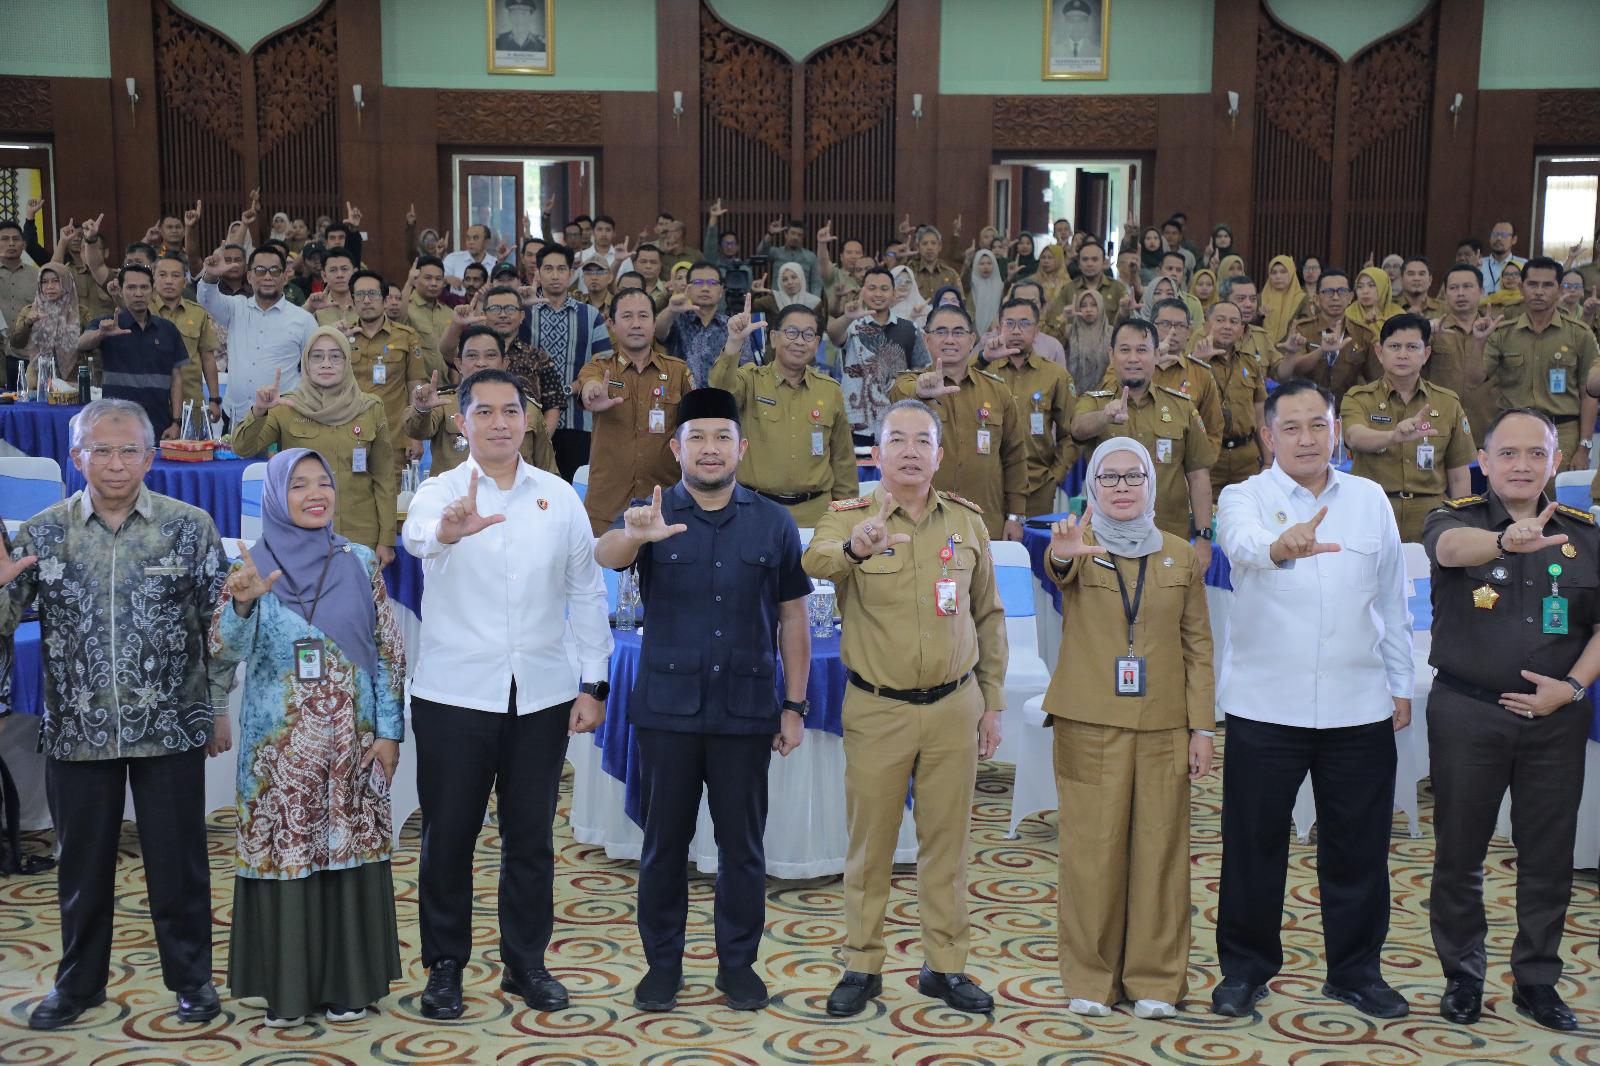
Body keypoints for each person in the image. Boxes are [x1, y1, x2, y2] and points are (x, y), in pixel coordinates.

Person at [0, 399, 229, 1030]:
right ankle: (78, 986)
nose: (116, 463)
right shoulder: (42, 532)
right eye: (100, 449)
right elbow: (3, 626)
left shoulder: (191, 527)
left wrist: (216, 708)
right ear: (76, 458)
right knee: (82, 868)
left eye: (129, 449)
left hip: (172, 727)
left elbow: (220, 628)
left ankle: (192, 981)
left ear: (152, 456)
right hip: (77, 730)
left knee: (178, 864)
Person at [401, 367, 611, 1019]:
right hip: (454, 696)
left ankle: (526, 963)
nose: (498, 422)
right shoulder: (439, 492)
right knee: (449, 839)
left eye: (510, 411)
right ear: (461, 424)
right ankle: (445, 968)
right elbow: (416, 538)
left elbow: (585, 591)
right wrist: (447, 533)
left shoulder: (558, 495)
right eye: (483, 412)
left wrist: (594, 680)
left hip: (542, 694)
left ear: (527, 420)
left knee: (530, 840)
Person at [593, 388, 811, 1012]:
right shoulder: (650, 511)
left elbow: (793, 618)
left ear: (740, 447)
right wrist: (635, 536)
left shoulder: (773, 522)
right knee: (664, 846)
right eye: (697, 438)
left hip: (745, 711)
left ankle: (737, 964)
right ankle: (662, 965)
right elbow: (607, 556)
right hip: (668, 711)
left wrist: (793, 706)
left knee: (743, 848)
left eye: (721, 438)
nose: (709, 449)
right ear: (677, 447)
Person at [1211, 379, 1413, 1021]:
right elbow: (1238, 544)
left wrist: (1400, 684)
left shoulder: (1370, 497)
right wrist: (1280, 546)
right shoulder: (1243, 495)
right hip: (1266, 706)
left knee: (1358, 847)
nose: (1305, 438)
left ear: (1334, 431)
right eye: (1290, 427)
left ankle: (1355, 971)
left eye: (1317, 425)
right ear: (1268, 435)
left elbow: (1392, 601)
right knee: (1253, 846)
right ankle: (1245, 971)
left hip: (1358, 704)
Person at [802, 398, 1005, 1018]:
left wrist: (992, 704)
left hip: (954, 707)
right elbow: (815, 561)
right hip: (879, 708)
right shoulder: (849, 515)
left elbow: (988, 617)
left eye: (924, 441)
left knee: (948, 845)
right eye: (899, 440)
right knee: (871, 847)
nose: (911, 451)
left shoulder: (967, 523)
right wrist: (859, 550)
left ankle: (945, 966)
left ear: (940, 455)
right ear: (878, 452)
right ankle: (862, 965)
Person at [208, 448, 406, 1027]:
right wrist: (242, 604)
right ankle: (286, 992)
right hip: (280, 751)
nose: (316, 494)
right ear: (275, 496)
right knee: (287, 853)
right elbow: (222, 654)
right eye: (299, 485)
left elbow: (389, 652)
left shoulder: (361, 560)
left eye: (325, 482)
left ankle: (349, 986)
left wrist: (391, 732)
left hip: (353, 741)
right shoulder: (248, 565)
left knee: (347, 854)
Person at [1421, 407, 1597, 1033]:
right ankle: (1463, 976)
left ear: (1556, 461)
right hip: (1469, 713)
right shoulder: (1454, 518)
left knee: (1547, 854)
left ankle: (1537, 981)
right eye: (1508, 454)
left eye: (1535, 454)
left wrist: (1572, 688)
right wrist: (1505, 540)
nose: (1521, 465)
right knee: (1460, 852)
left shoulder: (1587, 532)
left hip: (1556, 721)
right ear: (1485, 462)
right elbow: (1448, 550)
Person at [1042, 438, 1214, 1019]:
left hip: (1166, 724)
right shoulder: (1077, 546)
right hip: (1090, 722)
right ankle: (1090, 979)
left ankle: (1156, 980)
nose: (1120, 487)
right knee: (1092, 851)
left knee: (1161, 853)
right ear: (1092, 486)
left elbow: (1198, 648)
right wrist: (1063, 553)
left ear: (1151, 482)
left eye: (1132, 476)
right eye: (1108, 477)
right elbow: (1058, 572)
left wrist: (1203, 729)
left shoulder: (1177, 554)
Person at [230, 328, 396, 562]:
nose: (326, 364)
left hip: (359, 536)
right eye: (317, 356)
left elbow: (384, 477)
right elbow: (241, 448)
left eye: (335, 356)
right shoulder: (285, 406)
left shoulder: (370, 408)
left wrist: (386, 539)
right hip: (300, 535)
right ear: (305, 363)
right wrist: (259, 411)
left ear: (347, 361)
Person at [1072, 320, 1216, 560]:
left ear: (1157, 354)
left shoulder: (1181, 407)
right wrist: (1105, 417)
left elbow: (1198, 476)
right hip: (1105, 541)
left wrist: (1203, 537)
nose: (1133, 358)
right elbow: (1077, 429)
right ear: (1111, 355)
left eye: (1142, 350)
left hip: (1169, 539)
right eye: (1125, 350)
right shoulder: (1095, 403)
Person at [711, 301, 857, 525]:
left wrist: (847, 518)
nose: (799, 341)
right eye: (791, 332)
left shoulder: (830, 390)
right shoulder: (751, 380)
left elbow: (843, 460)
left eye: (808, 335)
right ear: (773, 338)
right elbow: (719, 392)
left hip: (816, 515)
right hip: (756, 512)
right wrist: (734, 342)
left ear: (817, 344)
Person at [890, 305, 1027, 541]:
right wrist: (920, 391)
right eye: (941, 332)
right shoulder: (910, 386)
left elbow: (1014, 456)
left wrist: (1015, 516)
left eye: (959, 332)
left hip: (984, 522)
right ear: (927, 339)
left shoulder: (997, 391)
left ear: (972, 339)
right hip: (922, 521)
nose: (950, 339)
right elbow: (899, 394)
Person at [1341, 314, 1475, 541]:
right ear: (1379, 352)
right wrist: (1393, 437)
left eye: (1412, 347)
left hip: (1430, 517)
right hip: (1373, 514)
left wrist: (1460, 523)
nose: (1402, 354)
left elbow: (1459, 475)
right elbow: (1354, 437)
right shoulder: (1359, 398)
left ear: (1426, 354)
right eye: (1394, 346)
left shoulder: (1447, 403)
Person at [577, 289, 693, 534]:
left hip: (665, 506)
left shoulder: (677, 371)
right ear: (612, 324)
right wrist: (593, 391)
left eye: (643, 316)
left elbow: (694, 424)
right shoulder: (600, 367)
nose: (636, 324)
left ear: (653, 323)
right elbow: (589, 383)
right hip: (607, 508)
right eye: (627, 316)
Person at [1476, 257, 1599, 478]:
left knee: (1558, 506)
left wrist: (1584, 446)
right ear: (1522, 288)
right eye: (1533, 284)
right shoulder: (1503, 332)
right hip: (1511, 430)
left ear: (1559, 289)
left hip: (1562, 432)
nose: (1539, 291)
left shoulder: (1579, 334)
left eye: (1547, 285)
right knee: (1505, 501)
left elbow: (1588, 394)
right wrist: (1478, 342)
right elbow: (1475, 379)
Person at [406, 324, 556, 476]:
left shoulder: (527, 408)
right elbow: (415, 431)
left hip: (514, 496)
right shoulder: (443, 404)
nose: (481, 363)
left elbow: (548, 471)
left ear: (505, 363)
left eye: (491, 355)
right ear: (459, 364)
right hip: (456, 497)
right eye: (472, 356)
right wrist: (421, 409)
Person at [978, 297, 1079, 517]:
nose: (1016, 331)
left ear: (1037, 331)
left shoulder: (1055, 375)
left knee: (1035, 549)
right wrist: (981, 359)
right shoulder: (982, 372)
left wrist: (1055, 477)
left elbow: (1071, 434)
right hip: (988, 485)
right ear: (998, 329)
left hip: (1037, 485)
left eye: (1025, 324)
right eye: (1010, 324)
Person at [199, 245, 317, 426]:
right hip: (236, 417)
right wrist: (212, 275)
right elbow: (207, 299)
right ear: (249, 276)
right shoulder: (235, 308)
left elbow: (315, 369)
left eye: (275, 271)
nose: (268, 277)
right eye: (260, 270)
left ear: (285, 277)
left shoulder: (304, 320)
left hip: (282, 420)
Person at [528, 243, 613, 479]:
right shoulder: (523, 314)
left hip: (578, 420)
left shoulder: (590, 315)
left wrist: (574, 386)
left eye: (561, 269)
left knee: (570, 489)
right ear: (538, 273)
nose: (555, 275)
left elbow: (605, 362)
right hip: (530, 419)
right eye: (548, 269)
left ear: (571, 274)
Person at [77, 265, 187, 439]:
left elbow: (177, 380)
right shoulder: (107, 324)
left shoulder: (167, 329)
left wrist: (176, 423)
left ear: (154, 291)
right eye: (131, 287)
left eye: (144, 287)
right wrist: (101, 333)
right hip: (116, 423)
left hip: (160, 423)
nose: (138, 293)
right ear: (120, 291)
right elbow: (82, 343)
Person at [828, 265, 933, 445]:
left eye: (884, 289)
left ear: (893, 293)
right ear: (863, 291)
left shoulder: (909, 328)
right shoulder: (852, 326)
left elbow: (919, 372)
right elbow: (833, 335)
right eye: (872, 288)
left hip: (897, 424)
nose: (878, 293)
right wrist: (848, 317)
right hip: (856, 423)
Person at [344, 269, 429, 473]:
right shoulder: (341, 337)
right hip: (349, 437)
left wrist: (415, 436)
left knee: (394, 501)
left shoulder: (406, 337)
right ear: (353, 302)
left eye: (372, 294)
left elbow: (416, 387)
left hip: (395, 438)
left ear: (384, 300)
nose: (366, 300)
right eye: (360, 295)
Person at [1192, 300, 1268, 492]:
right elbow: (1185, 408)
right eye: (1220, 320)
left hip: (1247, 458)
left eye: (1234, 322)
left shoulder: (1250, 363)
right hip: (1208, 459)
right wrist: (1198, 362)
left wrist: (1268, 461)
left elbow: (1260, 415)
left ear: (1241, 330)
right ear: (1206, 326)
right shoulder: (1191, 363)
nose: (1227, 326)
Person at [1425, 264, 1500, 447]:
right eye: (1453, 288)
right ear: (1445, 293)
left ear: (1482, 291)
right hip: (1440, 430)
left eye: (1467, 286)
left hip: (1488, 431)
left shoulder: (1498, 331)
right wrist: (1423, 331)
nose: (1460, 293)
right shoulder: (1432, 329)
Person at [1141, 297, 1224, 452]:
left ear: (1188, 332)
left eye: (1180, 326)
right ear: (1151, 327)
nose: (1172, 331)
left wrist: (1198, 471)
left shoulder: (1201, 373)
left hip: (1182, 470)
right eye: (1165, 324)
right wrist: (1150, 361)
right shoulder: (1133, 366)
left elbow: (1213, 430)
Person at [1278, 268, 1368, 409]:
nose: (1335, 298)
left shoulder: (1363, 333)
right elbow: (1294, 367)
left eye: (1342, 292)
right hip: (1306, 408)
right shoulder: (1302, 329)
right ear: (1316, 299)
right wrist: (1322, 351)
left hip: (1348, 412)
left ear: (1350, 297)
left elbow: (1376, 378)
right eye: (1328, 292)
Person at [151, 254, 223, 420]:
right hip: (153, 400)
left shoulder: (198, 313)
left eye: (175, 276)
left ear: (184, 282)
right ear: (153, 280)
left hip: (191, 401)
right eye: (162, 275)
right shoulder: (143, 311)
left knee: (192, 445)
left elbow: (208, 358)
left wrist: (214, 399)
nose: (169, 281)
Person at [9, 261, 81, 388]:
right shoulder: (29, 311)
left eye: (55, 281)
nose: (50, 286)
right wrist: (28, 324)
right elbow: (16, 343)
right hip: (37, 380)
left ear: (66, 282)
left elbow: (92, 349)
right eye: (44, 282)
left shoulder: (80, 313)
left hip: (72, 379)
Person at [405, 255, 455, 379]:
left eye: (438, 279)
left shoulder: (448, 312)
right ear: (416, 280)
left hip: (445, 387)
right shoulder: (406, 308)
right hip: (416, 387)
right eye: (428, 278)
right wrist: (408, 283)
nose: (434, 283)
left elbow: (453, 352)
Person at [1063, 289, 1114, 396]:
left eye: (1094, 305)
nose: (1088, 309)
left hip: (1106, 395)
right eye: (1083, 305)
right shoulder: (1069, 332)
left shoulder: (1111, 333)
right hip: (1073, 395)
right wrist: (1064, 318)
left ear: (1101, 307)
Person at [757, 218, 821, 297]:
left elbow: (816, 282)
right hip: (778, 299)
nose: (796, 237)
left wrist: (814, 302)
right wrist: (770, 234)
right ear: (786, 234)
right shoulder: (776, 253)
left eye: (799, 235)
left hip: (803, 301)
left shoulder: (811, 257)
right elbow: (761, 252)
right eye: (793, 233)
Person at [1260, 254, 1309, 348]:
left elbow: (1306, 329)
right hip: (1261, 352)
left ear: (1291, 273)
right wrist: (1259, 315)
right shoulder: (1261, 297)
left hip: (1291, 352)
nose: (1278, 276)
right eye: (1274, 272)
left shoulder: (1303, 300)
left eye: (1283, 272)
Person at [442, 224, 496, 295]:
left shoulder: (495, 263)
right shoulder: (453, 259)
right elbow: (435, 281)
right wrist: (446, 278)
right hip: (456, 304)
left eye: (475, 238)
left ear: (487, 242)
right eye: (468, 238)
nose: (471, 242)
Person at [1482, 221, 1526, 295]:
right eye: (1495, 234)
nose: (1498, 238)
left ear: (1514, 240)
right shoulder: (1478, 265)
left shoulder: (1524, 266)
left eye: (1504, 235)